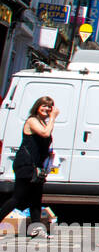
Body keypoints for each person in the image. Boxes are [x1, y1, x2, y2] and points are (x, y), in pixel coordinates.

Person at [0, 96, 57, 236]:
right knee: (18, 197)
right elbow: (45, 134)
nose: (47, 109)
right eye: (44, 106)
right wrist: (53, 118)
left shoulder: (44, 123)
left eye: (49, 106)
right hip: (26, 163)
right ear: (37, 107)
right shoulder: (32, 120)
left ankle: (36, 227)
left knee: (36, 197)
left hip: (37, 166)